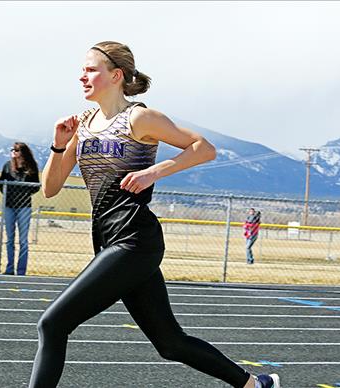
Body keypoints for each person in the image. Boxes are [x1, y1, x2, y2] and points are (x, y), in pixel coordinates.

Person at [29, 41, 280, 388]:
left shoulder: (140, 117)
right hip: (107, 239)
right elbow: (51, 187)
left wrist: (154, 172)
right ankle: (256, 384)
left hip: (135, 239)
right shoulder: (84, 123)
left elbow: (204, 149)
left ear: (115, 75)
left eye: (90, 69)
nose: (81, 76)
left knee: (52, 323)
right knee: (169, 342)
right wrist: (59, 144)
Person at [0, 142, 40, 276]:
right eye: (12, 150)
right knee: (9, 239)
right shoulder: (7, 166)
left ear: (23, 152)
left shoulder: (31, 166)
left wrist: (23, 191)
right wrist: (8, 193)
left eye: (16, 150)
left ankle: (21, 270)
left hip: (24, 207)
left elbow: (36, 186)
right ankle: (9, 268)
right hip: (9, 206)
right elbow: (1, 183)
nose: (14, 152)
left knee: (23, 240)